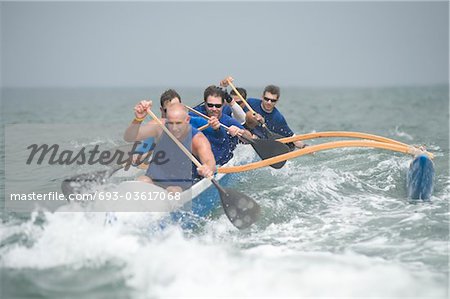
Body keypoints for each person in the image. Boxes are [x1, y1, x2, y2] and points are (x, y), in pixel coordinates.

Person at [124, 102, 215, 193]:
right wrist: (138, 119)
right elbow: (129, 137)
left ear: (187, 120)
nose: (174, 128)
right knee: (142, 181)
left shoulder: (197, 139)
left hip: (180, 187)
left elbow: (209, 162)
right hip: (154, 180)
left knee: (172, 191)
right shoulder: (159, 127)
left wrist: (207, 168)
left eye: (178, 123)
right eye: (171, 123)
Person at [190, 85, 252, 166]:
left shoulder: (228, 121)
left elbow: (249, 138)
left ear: (223, 104)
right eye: (210, 105)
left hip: (222, 164)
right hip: (199, 164)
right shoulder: (195, 114)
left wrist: (240, 131)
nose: (214, 109)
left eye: (218, 106)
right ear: (205, 104)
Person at [245, 85, 305, 149]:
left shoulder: (278, 118)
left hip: (262, 142)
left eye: (273, 100)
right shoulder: (250, 103)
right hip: (245, 134)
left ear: (277, 101)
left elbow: (293, 138)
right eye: (266, 99)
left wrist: (304, 147)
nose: (269, 102)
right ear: (262, 97)